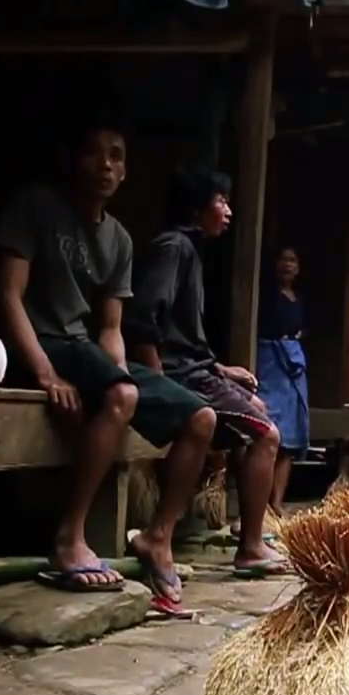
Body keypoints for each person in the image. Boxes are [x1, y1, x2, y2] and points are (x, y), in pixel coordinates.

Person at [0, 117, 218, 604]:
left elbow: (112, 328)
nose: (105, 165)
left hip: (83, 350)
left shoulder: (119, 239)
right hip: (40, 342)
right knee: (121, 393)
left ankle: (158, 537)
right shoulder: (37, 206)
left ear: (125, 172)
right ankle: (69, 538)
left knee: (200, 418)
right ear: (75, 160)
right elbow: (9, 294)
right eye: (95, 153)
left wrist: (121, 383)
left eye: (116, 156)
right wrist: (45, 372)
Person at [127, 166, 286, 579]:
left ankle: (247, 535)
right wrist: (159, 384)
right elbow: (144, 320)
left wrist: (222, 369)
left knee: (258, 408)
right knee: (267, 433)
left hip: (196, 370)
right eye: (221, 202)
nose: (229, 210)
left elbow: (181, 335)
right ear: (197, 208)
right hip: (179, 377)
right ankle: (247, 546)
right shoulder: (173, 247)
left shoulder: (190, 250)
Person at [256, 245, 309, 517]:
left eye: (293, 260)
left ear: (298, 268)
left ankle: (276, 502)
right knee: (269, 430)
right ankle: (259, 504)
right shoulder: (265, 296)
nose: (287, 265)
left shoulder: (299, 299)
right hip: (270, 363)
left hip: (293, 367)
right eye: (283, 259)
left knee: (290, 435)